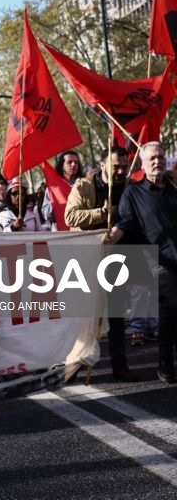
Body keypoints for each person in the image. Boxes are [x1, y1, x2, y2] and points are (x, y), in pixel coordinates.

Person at [64, 147, 138, 382]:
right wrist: (102, 213)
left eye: (124, 167)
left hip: (116, 259)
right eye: (116, 166)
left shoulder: (128, 188)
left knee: (116, 314)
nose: (120, 171)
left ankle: (120, 365)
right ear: (103, 163)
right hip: (87, 259)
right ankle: (73, 364)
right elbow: (71, 217)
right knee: (85, 315)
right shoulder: (84, 186)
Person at [107, 141, 177, 384]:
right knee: (172, 303)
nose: (157, 161)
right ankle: (165, 363)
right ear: (143, 164)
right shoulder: (133, 193)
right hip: (154, 260)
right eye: (152, 158)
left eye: (160, 157)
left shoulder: (174, 187)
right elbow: (126, 222)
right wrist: (113, 234)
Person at [42, 150, 84, 231]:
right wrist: (56, 201)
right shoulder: (53, 188)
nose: (74, 164)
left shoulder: (85, 184)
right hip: (62, 234)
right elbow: (46, 215)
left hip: (82, 231)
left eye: (76, 162)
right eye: (69, 162)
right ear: (62, 166)